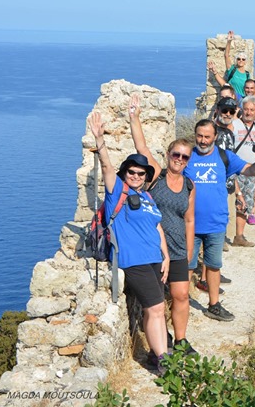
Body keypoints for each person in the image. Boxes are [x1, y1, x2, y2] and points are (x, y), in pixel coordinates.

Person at [89, 108, 171, 374]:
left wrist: (166, 255)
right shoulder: (118, 192)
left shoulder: (147, 197)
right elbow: (106, 167)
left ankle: (155, 355)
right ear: (125, 173)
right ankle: (161, 359)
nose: (136, 176)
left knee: (156, 309)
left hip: (154, 259)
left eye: (141, 173)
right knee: (156, 307)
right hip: (133, 259)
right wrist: (100, 141)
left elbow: (157, 226)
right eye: (132, 172)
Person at [127, 94, 198, 357]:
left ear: (188, 161)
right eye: (176, 154)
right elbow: (142, 148)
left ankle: (180, 340)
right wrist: (134, 117)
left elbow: (189, 220)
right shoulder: (157, 176)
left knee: (181, 296)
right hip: (153, 248)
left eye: (184, 157)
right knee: (155, 302)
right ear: (168, 155)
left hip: (178, 249)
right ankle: (159, 343)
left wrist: (191, 253)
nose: (179, 159)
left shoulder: (190, 186)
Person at [184, 119, 255, 321]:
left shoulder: (224, 157)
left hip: (216, 223)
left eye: (207, 136)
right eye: (199, 136)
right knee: (186, 266)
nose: (203, 141)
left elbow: (250, 170)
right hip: (189, 225)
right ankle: (181, 304)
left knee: (214, 266)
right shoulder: (186, 156)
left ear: (215, 137)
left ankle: (213, 305)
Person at [231, 96, 255, 235]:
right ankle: (231, 232)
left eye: (252, 109)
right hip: (237, 169)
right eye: (246, 109)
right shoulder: (234, 125)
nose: (249, 112)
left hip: (251, 168)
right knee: (235, 200)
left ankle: (240, 234)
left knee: (247, 200)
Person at [221, 30, 251, 97]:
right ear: (236, 60)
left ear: (245, 62)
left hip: (242, 100)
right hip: (232, 99)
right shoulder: (232, 70)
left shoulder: (247, 74)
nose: (241, 60)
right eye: (238, 59)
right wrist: (229, 41)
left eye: (243, 59)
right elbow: (226, 55)